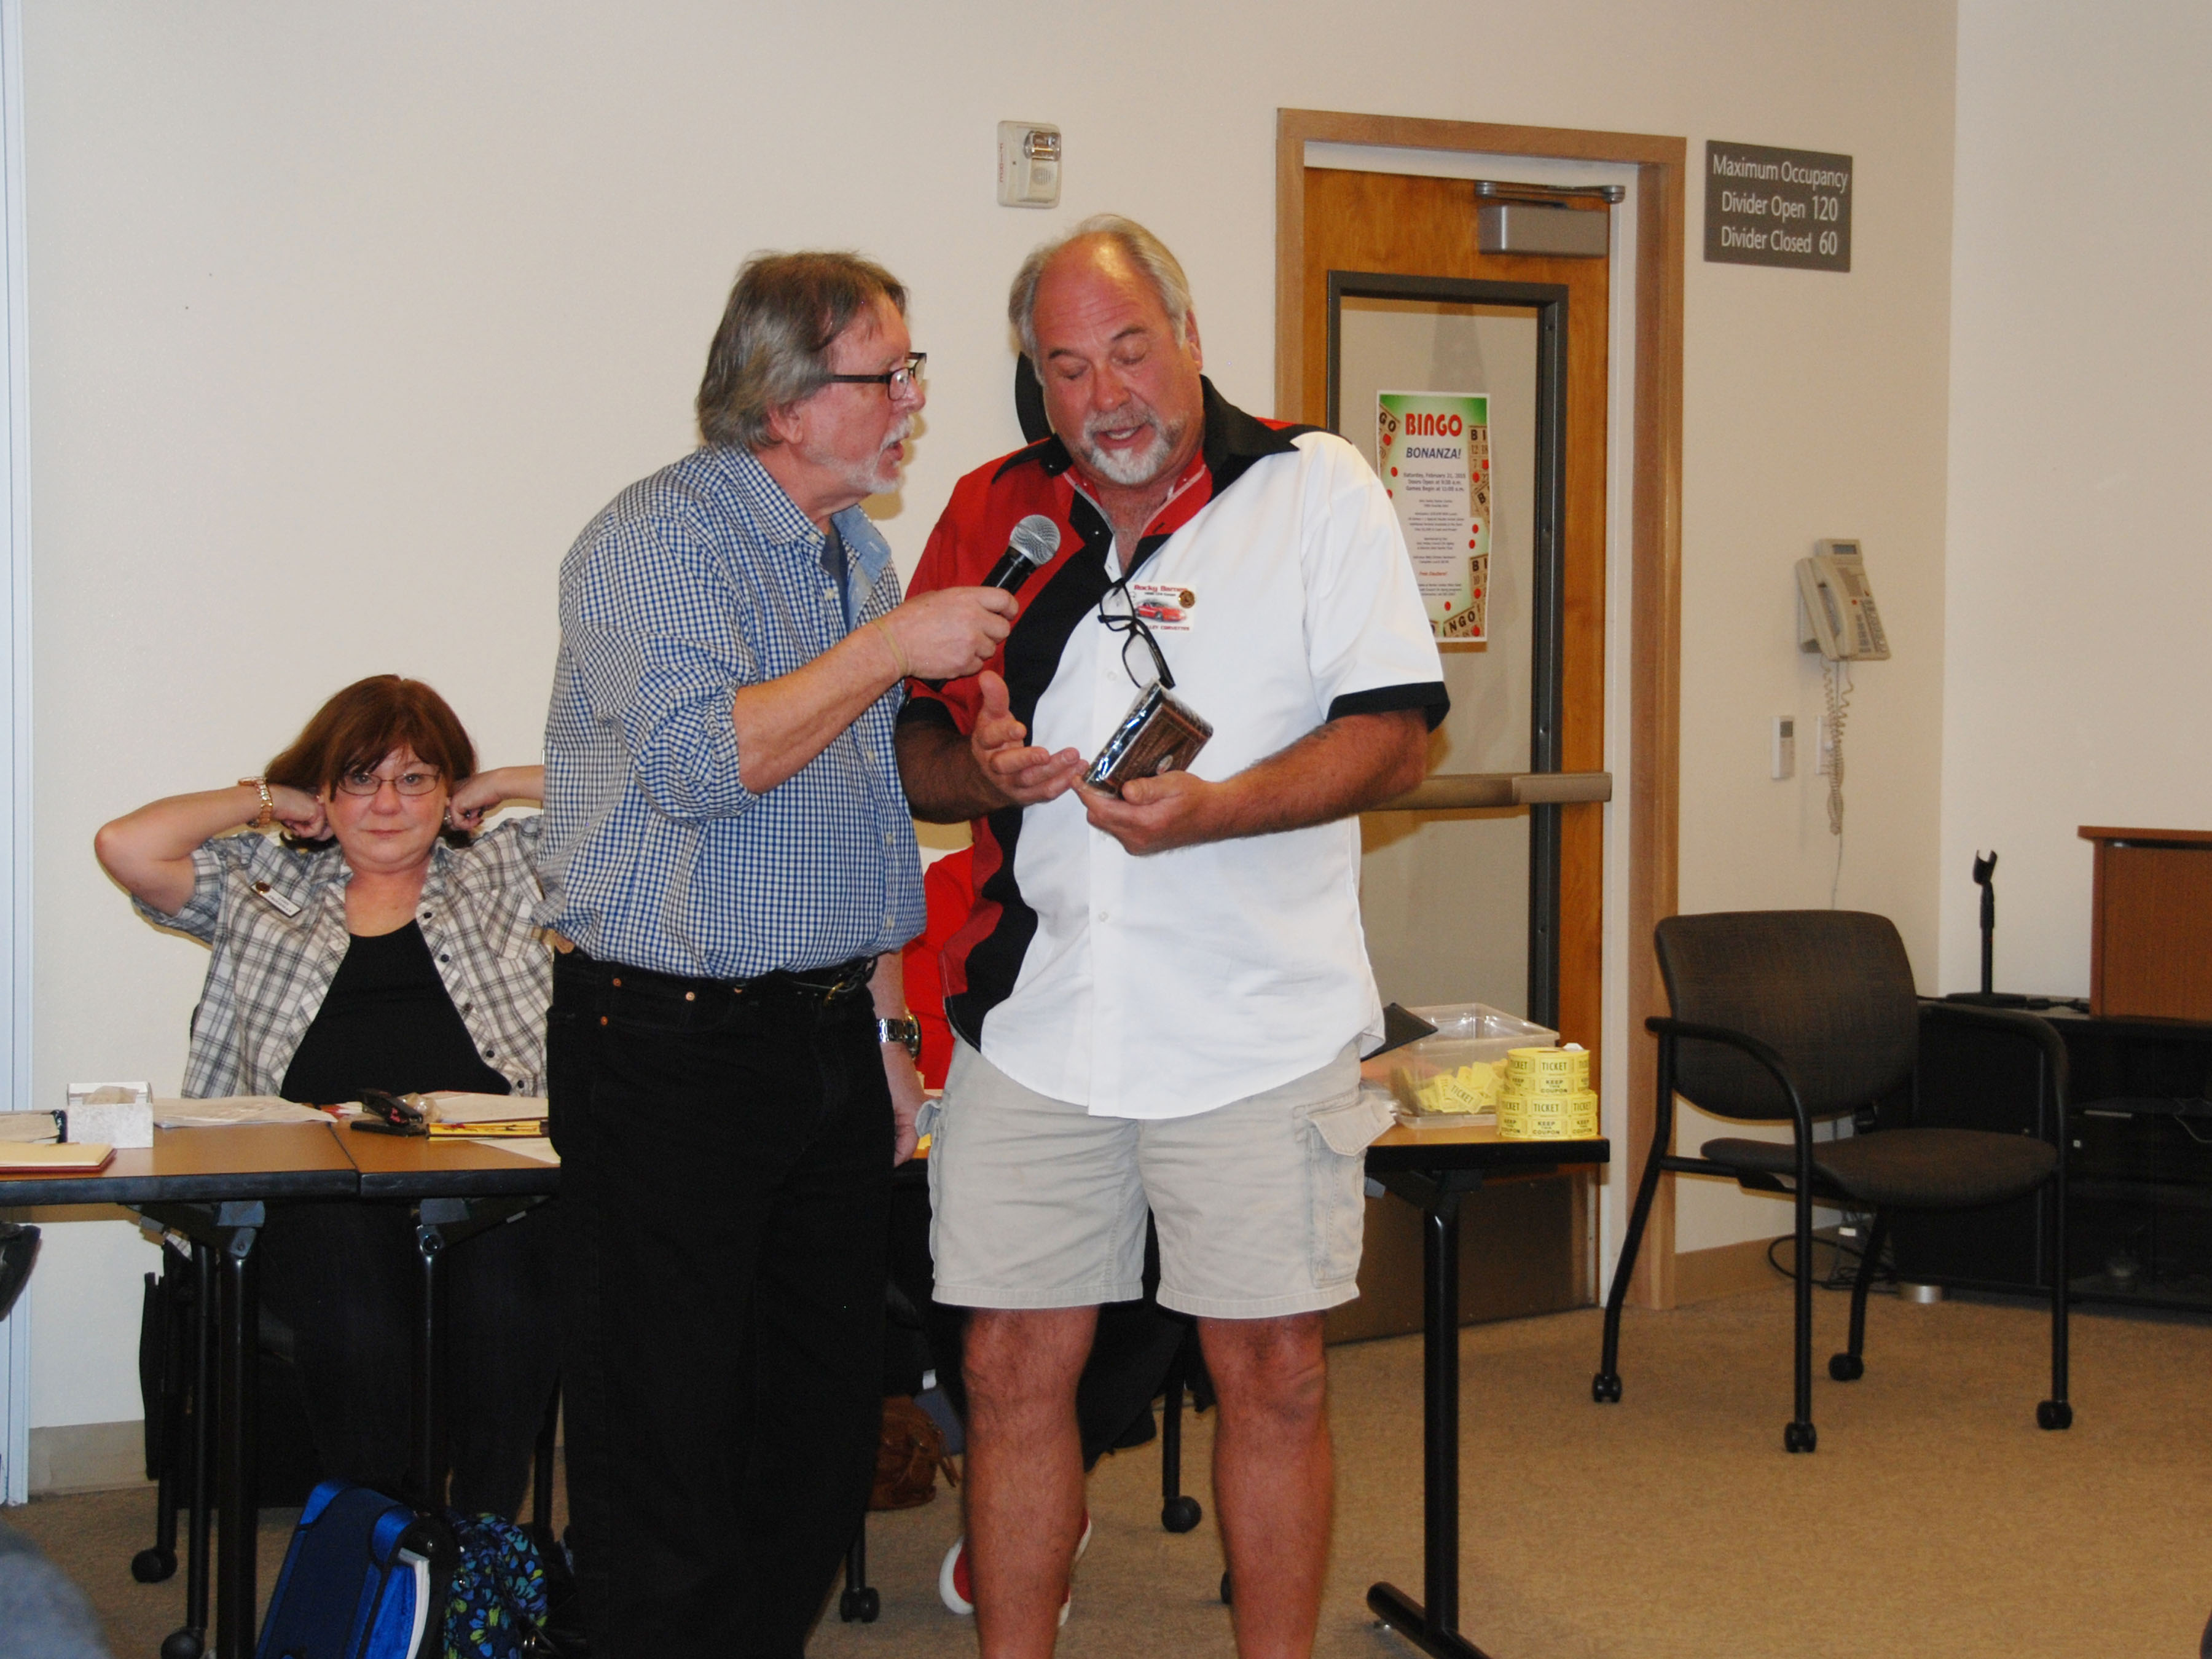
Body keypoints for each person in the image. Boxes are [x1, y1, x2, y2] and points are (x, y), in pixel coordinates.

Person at [896, 215, 1447, 1658]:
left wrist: (1224, 811)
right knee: (1013, 1367)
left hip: (1260, 1025)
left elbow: (1398, 736)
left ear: (1193, 342)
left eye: (1131, 349)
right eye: (1067, 367)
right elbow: (902, 750)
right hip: (1041, 1022)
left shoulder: (1314, 492)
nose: (1106, 396)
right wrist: (986, 772)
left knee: (1271, 1374)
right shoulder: (999, 516)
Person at [535, 249, 1015, 1658]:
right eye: (890, 375)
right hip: (667, 1045)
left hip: (818, 1042)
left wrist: (886, 1039)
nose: (916, 402)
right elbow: (701, 765)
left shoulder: (849, 554)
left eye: (913, 370)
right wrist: (890, 652)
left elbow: (863, 823)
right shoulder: (650, 544)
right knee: (665, 1440)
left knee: (812, 1438)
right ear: (788, 404)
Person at [93, 675, 559, 1518]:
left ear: (447, 791)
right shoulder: (261, 883)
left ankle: (480, 1539)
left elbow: (639, 811)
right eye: (360, 778)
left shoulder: (508, 867)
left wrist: (502, 785)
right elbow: (126, 844)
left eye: (415, 778)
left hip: (490, 1186)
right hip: (312, 1191)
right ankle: (387, 1533)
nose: (387, 803)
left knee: (506, 1302)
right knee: (354, 1306)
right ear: (325, 791)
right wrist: (266, 800)